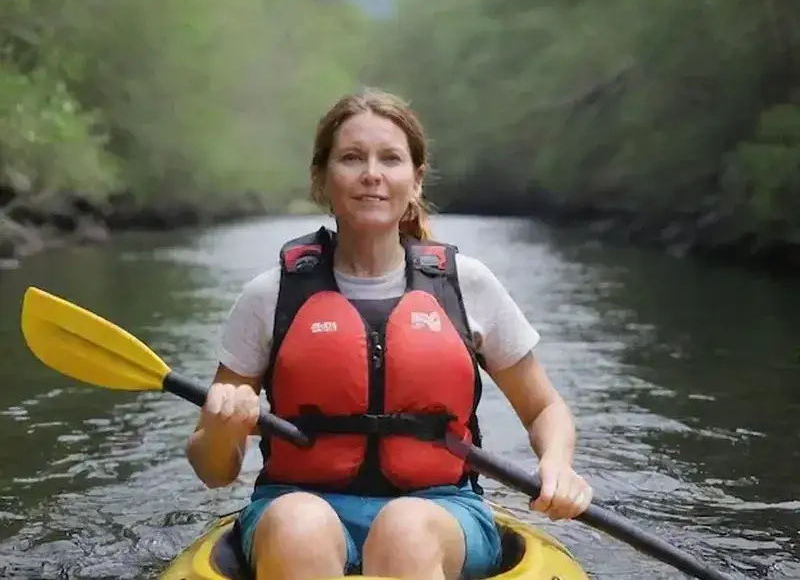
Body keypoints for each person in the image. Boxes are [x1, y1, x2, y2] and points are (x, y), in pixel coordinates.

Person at [185, 88, 593, 580]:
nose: (372, 174)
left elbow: (545, 408)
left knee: (404, 529)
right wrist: (224, 429)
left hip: (441, 511)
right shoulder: (268, 296)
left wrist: (557, 464)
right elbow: (214, 470)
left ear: (415, 180)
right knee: (298, 524)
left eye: (391, 159)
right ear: (322, 178)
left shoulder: (467, 286)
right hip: (295, 504)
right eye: (352, 158)